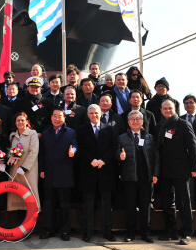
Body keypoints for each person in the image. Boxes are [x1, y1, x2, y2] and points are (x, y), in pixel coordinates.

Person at [155, 100, 196, 245]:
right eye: (165, 108)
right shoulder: (158, 126)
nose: (167, 110)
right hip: (165, 170)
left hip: (181, 170)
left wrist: (194, 168)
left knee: (184, 202)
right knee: (167, 202)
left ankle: (187, 232)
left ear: (175, 109)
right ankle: (171, 231)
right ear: (161, 110)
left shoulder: (183, 124)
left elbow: (193, 147)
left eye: (170, 108)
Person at [117, 110, 160, 243]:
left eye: (138, 119)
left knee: (145, 206)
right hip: (129, 177)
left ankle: (145, 233)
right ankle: (130, 233)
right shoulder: (121, 137)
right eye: (132, 119)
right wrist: (119, 156)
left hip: (146, 177)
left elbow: (156, 157)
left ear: (142, 122)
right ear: (128, 122)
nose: (135, 121)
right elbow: (117, 153)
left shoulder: (150, 137)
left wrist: (155, 174)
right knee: (129, 206)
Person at [77, 104, 117, 242]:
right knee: (88, 205)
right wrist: (92, 160)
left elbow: (114, 147)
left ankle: (108, 232)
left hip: (105, 172)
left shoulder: (109, 129)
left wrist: (103, 160)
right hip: (88, 172)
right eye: (92, 113)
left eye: (97, 113)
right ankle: (87, 232)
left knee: (106, 205)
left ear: (101, 114)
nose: (94, 115)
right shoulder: (82, 130)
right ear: (88, 115)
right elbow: (80, 148)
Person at [39, 109, 77, 241]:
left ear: (64, 118)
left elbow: (75, 146)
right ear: (50, 118)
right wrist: (42, 169)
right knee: (49, 203)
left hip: (64, 173)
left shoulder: (71, 132)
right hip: (48, 173)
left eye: (59, 116)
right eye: (54, 116)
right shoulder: (45, 133)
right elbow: (42, 153)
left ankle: (65, 231)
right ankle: (49, 229)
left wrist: (73, 151)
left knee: (64, 204)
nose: (57, 119)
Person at [7, 113, 40, 217]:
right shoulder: (12, 135)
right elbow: (10, 151)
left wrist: (24, 167)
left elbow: (33, 152)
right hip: (15, 171)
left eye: (22, 120)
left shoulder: (32, 133)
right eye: (18, 120)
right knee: (17, 198)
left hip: (28, 171)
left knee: (30, 196)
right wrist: (10, 157)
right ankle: (19, 225)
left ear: (27, 122)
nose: (20, 122)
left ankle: (31, 226)